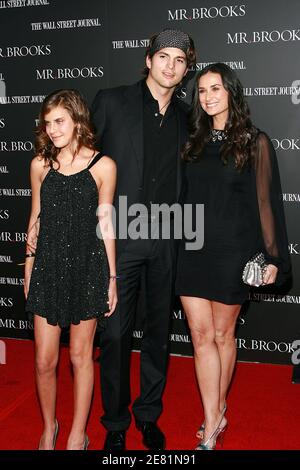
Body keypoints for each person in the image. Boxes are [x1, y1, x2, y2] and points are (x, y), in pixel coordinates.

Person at [175, 63, 291, 450]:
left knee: (223, 335)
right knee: (200, 335)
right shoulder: (190, 141)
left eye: (216, 89)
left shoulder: (253, 141)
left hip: (232, 251)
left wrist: (273, 257)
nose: (208, 97)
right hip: (191, 250)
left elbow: (266, 202)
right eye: (202, 90)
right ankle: (213, 420)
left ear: (231, 92)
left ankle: (217, 409)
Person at [91, 29, 196, 450]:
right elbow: (85, 164)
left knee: (158, 335)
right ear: (148, 59)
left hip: (168, 236)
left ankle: (148, 415)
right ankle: (115, 423)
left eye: (180, 60)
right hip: (121, 238)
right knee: (114, 334)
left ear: (187, 69)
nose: (171, 66)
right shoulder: (112, 101)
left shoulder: (191, 118)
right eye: (164, 56)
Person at [24, 89, 117, 450]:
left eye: (59, 121)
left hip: (88, 267)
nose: (52, 130)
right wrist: (29, 268)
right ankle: (50, 427)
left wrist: (111, 277)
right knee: (44, 361)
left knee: (81, 357)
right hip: (47, 267)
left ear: (78, 120)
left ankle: (78, 433)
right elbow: (35, 220)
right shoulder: (39, 165)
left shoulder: (103, 166)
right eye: (47, 124)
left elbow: (106, 223)